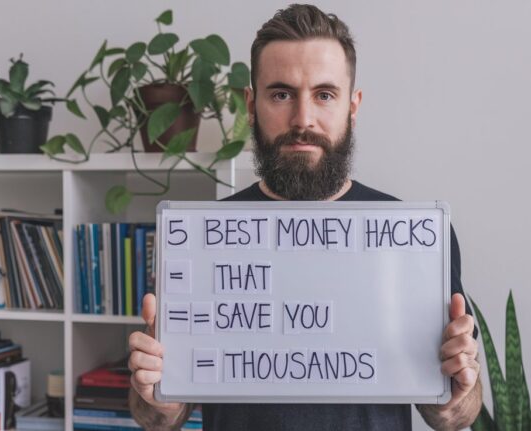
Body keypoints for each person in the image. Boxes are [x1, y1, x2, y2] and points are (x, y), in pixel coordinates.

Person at [128, 4, 482, 430]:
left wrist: (458, 392)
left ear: (353, 106)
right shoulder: (198, 239)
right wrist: (153, 394)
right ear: (251, 104)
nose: (303, 119)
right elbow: (160, 418)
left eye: (324, 95)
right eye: (281, 94)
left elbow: (452, 415)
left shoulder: (418, 238)